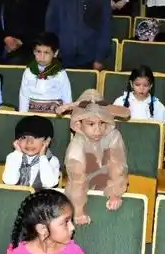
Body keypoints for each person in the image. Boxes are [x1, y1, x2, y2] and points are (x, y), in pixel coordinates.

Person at [56, 90, 130, 224]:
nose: (98, 130)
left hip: (108, 187)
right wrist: (78, 209)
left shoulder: (113, 136)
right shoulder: (77, 143)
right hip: (82, 190)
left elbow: (117, 165)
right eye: (91, 124)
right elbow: (76, 177)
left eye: (102, 123)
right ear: (78, 124)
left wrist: (115, 193)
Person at [18, 32, 73, 113]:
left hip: (54, 114)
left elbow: (67, 97)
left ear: (55, 53)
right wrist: (23, 114)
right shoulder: (29, 71)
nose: (42, 57)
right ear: (34, 52)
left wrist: (67, 114)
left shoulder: (60, 72)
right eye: (38, 52)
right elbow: (24, 96)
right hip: (32, 113)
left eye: (46, 52)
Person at [2, 115, 61, 189]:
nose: (29, 142)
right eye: (24, 137)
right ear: (17, 140)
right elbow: (9, 181)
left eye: (35, 137)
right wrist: (18, 153)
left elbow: (49, 183)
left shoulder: (52, 160)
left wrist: (42, 157)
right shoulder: (13, 157)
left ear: (47, 140)